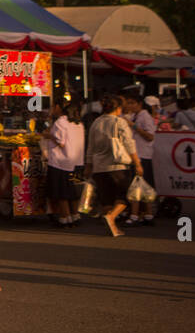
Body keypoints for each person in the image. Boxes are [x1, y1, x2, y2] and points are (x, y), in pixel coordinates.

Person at [85, 94, 142, 238]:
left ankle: (113, 227)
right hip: (118, 166)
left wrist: (88, 165)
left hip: (99, 167)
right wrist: (137, 163)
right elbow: (129, 144)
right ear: (117, 108)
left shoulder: (96, 122)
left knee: (106, 198)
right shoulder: (119, 122)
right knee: (126, 195)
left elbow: (90, 146)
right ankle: (111, 217)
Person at [40, 99, 84, 227]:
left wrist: (49, 136)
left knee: (61, 192)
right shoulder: (79, 124)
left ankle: (65, 217)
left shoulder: (61, 122)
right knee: (72, 191)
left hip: (60, 162)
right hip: (76, 162)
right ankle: (75, 215)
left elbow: (61, 141)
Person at [122, 92, 156, 226]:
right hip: (138, 154)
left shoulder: (145, 116)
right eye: (128, 103)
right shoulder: (135, 116)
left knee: (137, 186)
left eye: (132, 103)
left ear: (139, 104)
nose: (130, 106)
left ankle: (135, 215)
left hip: (142, 155)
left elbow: (150, 136)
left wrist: (133, 125)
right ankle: (147, 214)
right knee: (142, 186)